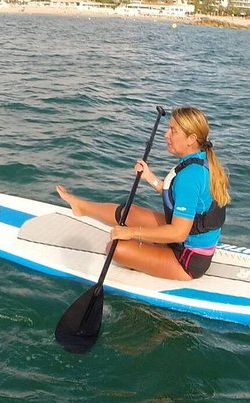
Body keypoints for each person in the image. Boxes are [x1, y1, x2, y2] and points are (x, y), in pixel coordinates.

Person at [56, 106, 230, 281]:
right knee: (127, 212)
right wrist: (149, 177)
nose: (166, 135)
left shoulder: (190, 176)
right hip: (184, 238)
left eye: (173, 130)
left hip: (187, 259)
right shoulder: (200, 159)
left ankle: (154, 248)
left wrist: (132, 233)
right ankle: (82, 207)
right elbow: (176, 195)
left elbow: (178, 233)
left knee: (115, 248)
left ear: (191, 139)